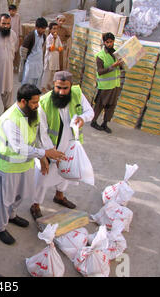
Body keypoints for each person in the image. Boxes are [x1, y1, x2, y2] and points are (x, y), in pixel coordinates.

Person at [0, 84, 66, 245]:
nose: (37, 105)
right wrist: (44, 154)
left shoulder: (32, 113)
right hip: (10, 167)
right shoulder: (9, 119)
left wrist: (42, 158)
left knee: (20, 196)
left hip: (26, 165)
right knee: (4, 200)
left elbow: (39, 136)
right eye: (34, 102)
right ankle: (0, 227)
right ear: (23, 102)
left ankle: (12, 216)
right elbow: (18, 147)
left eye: (38, 102)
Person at [31, 71, 94, 219]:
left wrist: (83, 118)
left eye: (65, 88)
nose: (61, 92)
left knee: (66, 172)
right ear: (53, 85)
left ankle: (59, 196)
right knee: (42, 177)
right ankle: (35, 205)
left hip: (70, 145)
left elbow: (90, 111)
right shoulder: (44, 102)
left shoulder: (77, 94)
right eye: (58, 87)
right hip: (50, 148)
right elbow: (42, 132)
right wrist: (49, 152)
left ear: (71, 87)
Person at [90, 32, 124, 134]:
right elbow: (100, 72)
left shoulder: (117, 53)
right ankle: (94, 121)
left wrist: (122, 64)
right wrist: (113, 66)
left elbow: (121, 68)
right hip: (105, 86)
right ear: (104, 42)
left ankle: (105, 123)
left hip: (115, 85)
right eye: (107, 42)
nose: (109, 44)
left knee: (111, 106)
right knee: (100, 105)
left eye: (111, 42)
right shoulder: (100, 56)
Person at [21, 17, 48, 86]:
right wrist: (24, 59)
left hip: (39, 62)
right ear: (36, 27)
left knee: (36, 81)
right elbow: (23, 49)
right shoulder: (30, 36)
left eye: (44, 28)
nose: (43, 30)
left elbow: (41, 47)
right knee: (26, 81)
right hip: (30, 61)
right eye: (42, 28)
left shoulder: (44, 36)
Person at [41, 22, 63, 93]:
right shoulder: (49, 38)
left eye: (56, 29)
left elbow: (61, 48)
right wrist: (54, 40)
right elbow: (51, 48)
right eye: (54, 29)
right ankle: (43, 86)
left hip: (55, 58)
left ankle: (49, 84)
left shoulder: (58, 37)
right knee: (47, 73)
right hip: (49, 58)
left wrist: (56, 48)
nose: (55, 30)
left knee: (53, 73)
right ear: (50, 30)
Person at [9, 4, 22, 73]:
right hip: (9, 37)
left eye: (15, 11)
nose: (13, 12)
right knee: (11, 52)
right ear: (9, 11)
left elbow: (19, 26)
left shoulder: (18, 16)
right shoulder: (7, 17)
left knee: (16, 52)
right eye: (12, 11)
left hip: (16, 36)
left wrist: (20, 35)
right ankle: (11, 66)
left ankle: (16, 66)